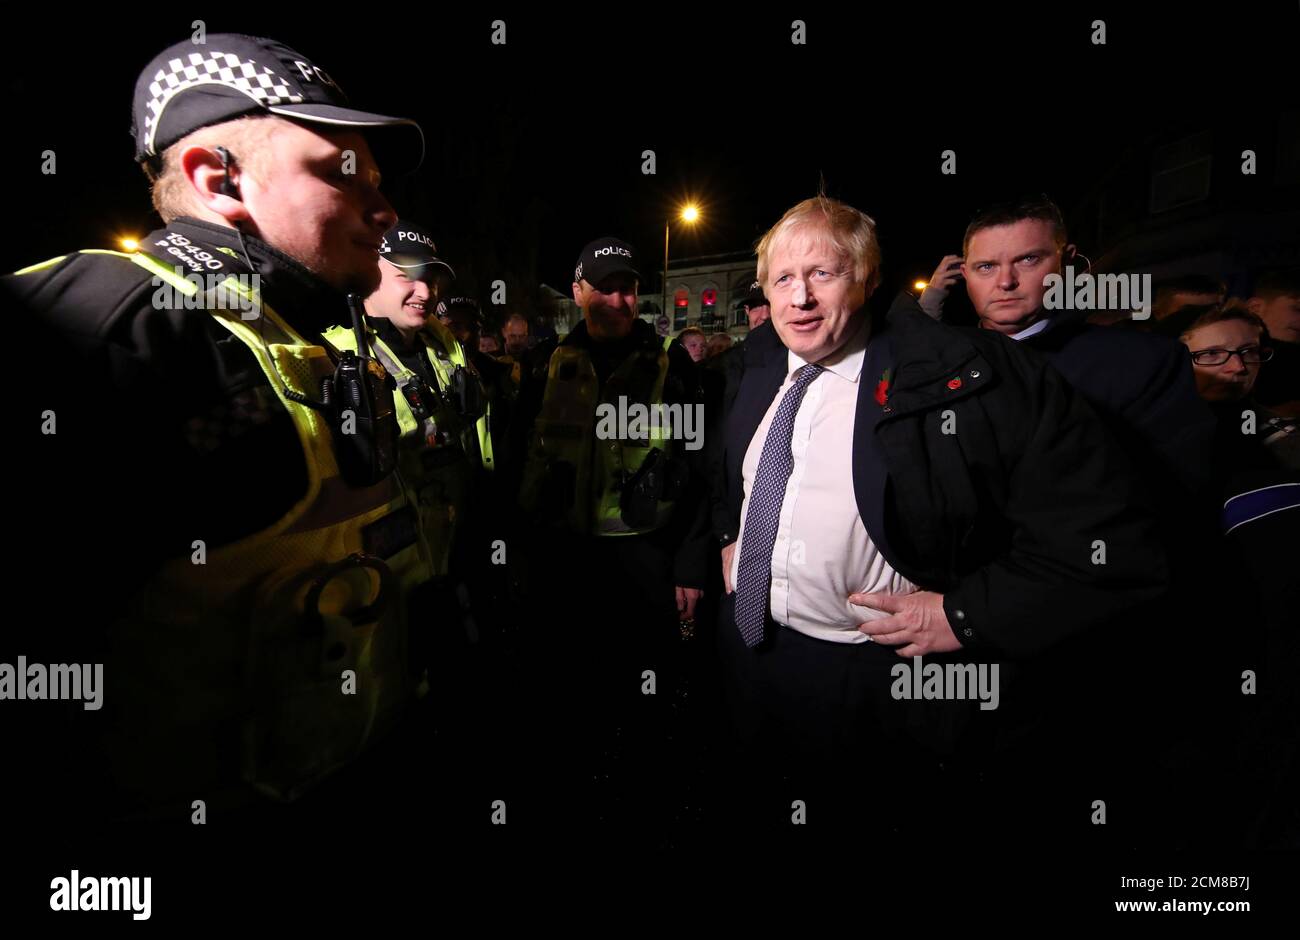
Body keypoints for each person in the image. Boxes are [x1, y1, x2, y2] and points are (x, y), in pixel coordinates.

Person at [4, 33, 428, 819]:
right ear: (216, 176)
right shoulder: (110, 326)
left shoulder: (293, 329)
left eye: (377, 177)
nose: (385, 207)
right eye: (344, 171)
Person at [713, 195, 1166, 846]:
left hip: (879, 681)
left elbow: (1110, 543)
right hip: (755, 658)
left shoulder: (970, 373)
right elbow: (732, 470)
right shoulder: (755, 365)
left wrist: (965, 613)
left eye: (824, 274)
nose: (800, 298)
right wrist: (734, 533)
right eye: (783, 279)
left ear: (868, 279)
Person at [505, 236, 711, 833]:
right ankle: (570, 798)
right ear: (578, 292)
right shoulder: (545, 363)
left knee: (643, 693)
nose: (620, 299)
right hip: (561, 560)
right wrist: (516, 552)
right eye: (605, 286)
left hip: (643, 562)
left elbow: (700, 472)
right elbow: (517, 459)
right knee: (565, 690)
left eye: (629, 286)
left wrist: (690, 565)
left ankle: (642, 803)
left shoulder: (673, 364)